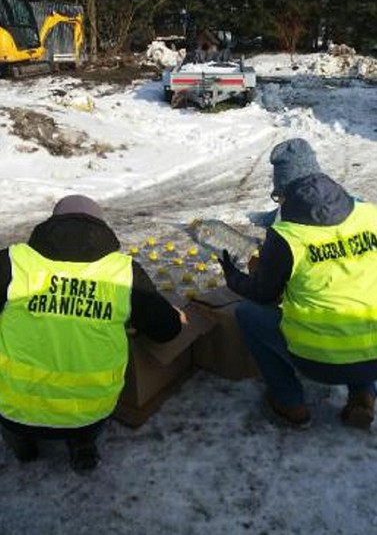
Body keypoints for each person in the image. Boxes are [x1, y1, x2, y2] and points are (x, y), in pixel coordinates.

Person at [0, 195, 182, 472]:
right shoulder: (123, 273)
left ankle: (22, 445)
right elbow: (167, 331)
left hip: (11, 407)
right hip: (91, 410)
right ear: (101, 228)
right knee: (86, 417)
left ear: (52, 223)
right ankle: (82, 445)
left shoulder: (13, 262)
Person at [219, 138, 377, 429]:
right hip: (374, 353)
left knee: (247, 313)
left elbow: (264, 295)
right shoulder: (370, 215)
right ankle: (363, 394)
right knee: (359, 303)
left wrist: (233, 277)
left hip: (317, 361)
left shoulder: (287, 236)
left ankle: (290, 402)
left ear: (284, 192)